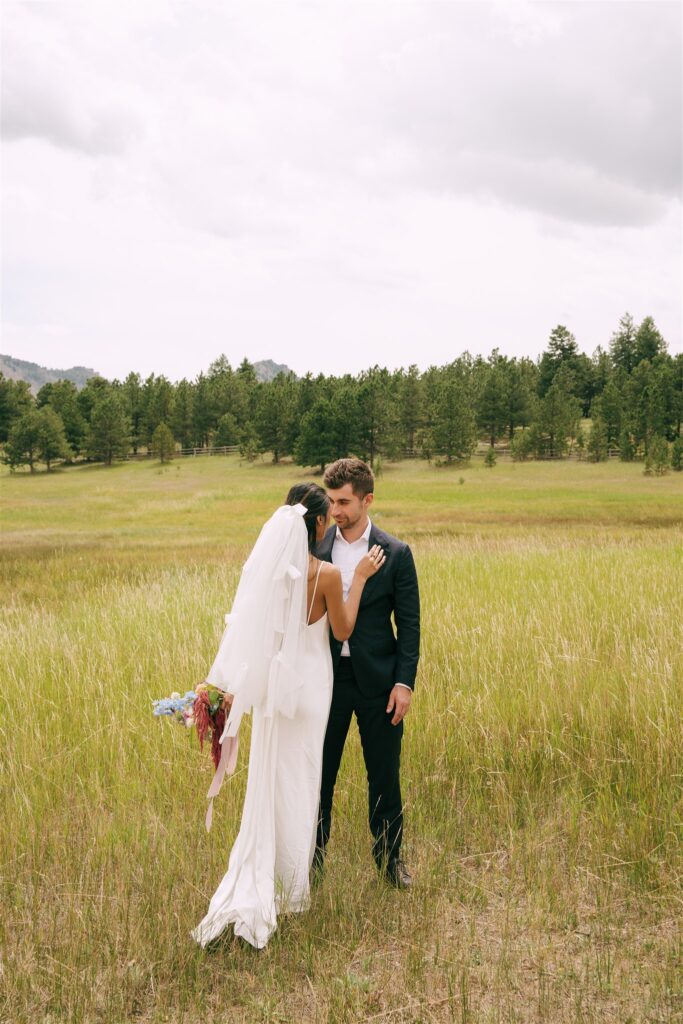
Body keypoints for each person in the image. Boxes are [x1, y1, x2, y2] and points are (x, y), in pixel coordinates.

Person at [190, 483, 386, 950]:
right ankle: (291, 891)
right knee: (302, 781)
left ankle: (266, 874)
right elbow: (342, 629)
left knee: (273, 782)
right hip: (312, 692)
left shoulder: (272, 577)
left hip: (276, 697)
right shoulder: (324, 574)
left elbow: (254, 639)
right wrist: (356, 578)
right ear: (318, 524)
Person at [314, 458, 420, 889]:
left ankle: (390, 862)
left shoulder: (396, 553)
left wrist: (404, 682)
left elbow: (409, 625)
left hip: (379, 683)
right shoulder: (316, 548)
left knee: (384, 775)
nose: (335, 510)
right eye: (331, 501)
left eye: (344, 502)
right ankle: (310, 863)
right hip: (325, 680)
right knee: (318, 775)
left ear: (367, 499)